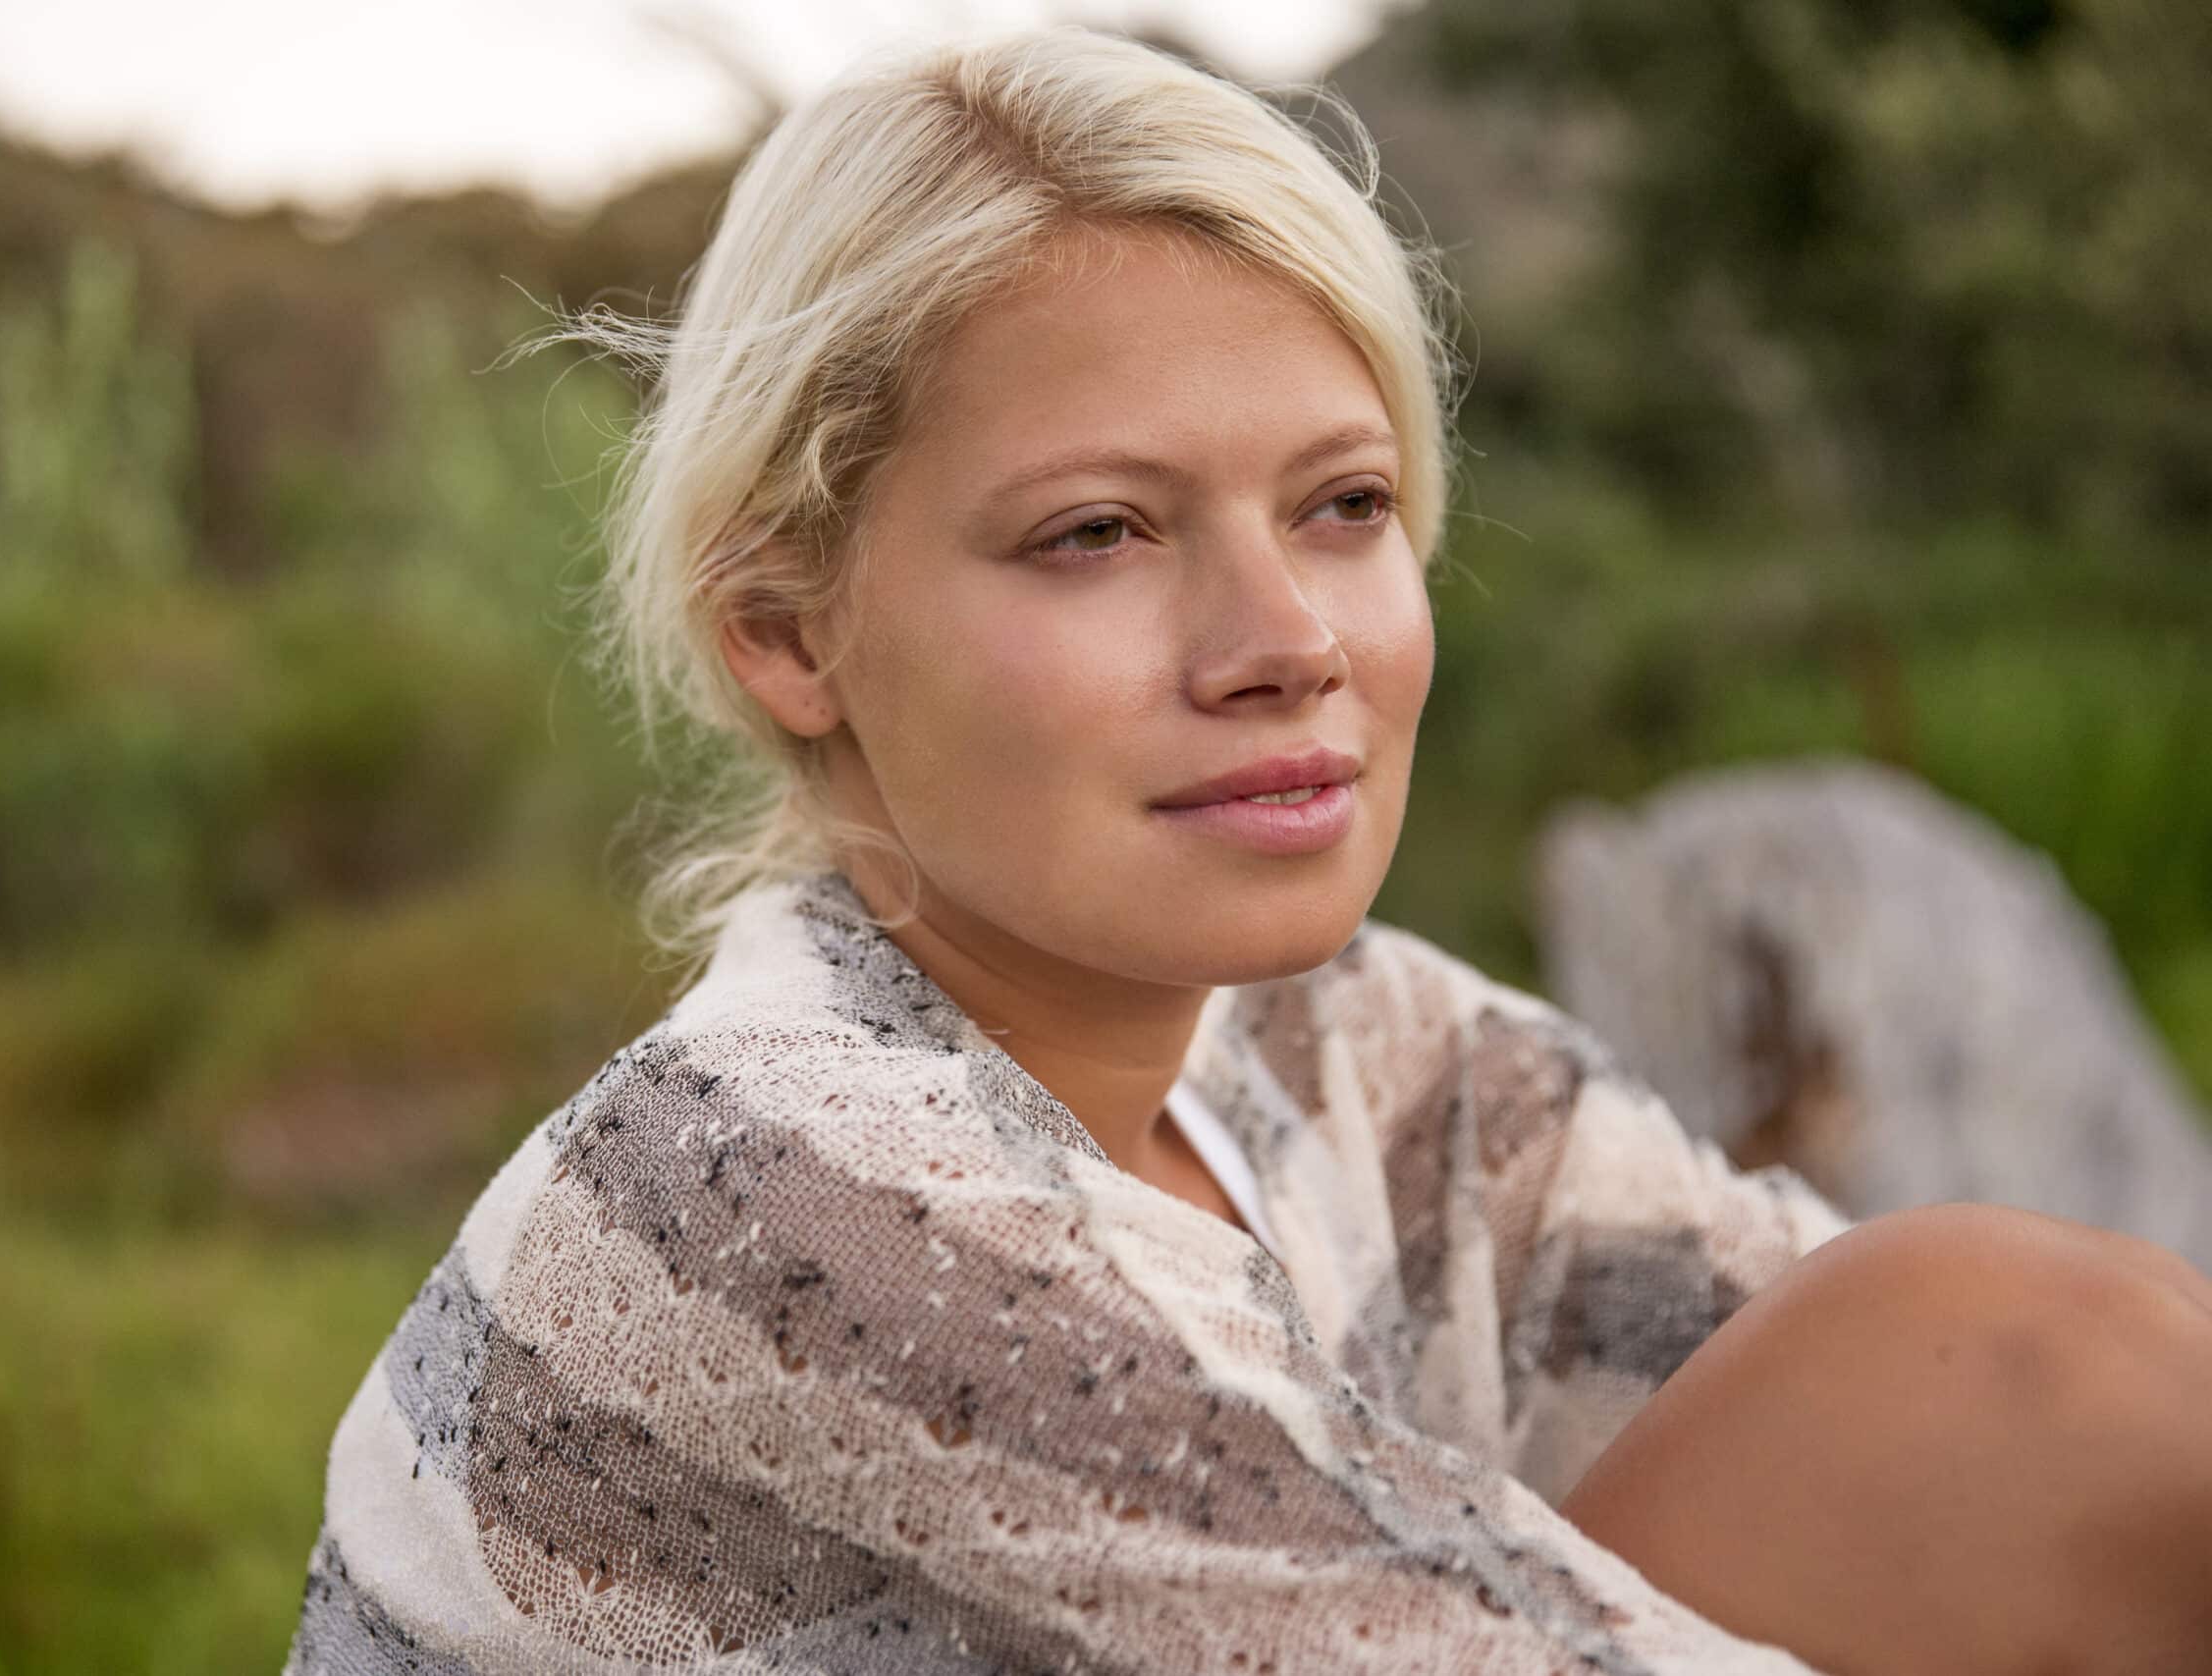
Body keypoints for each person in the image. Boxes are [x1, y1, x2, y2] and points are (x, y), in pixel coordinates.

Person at [283, 27, 2212, 1675]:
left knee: (1992, 1346)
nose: (1283, 635)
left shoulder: (1347, 1040)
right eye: (1094, 532)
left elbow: (1987, 1412)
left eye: (1341, 504)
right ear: (790, 635)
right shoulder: (796, 1195)